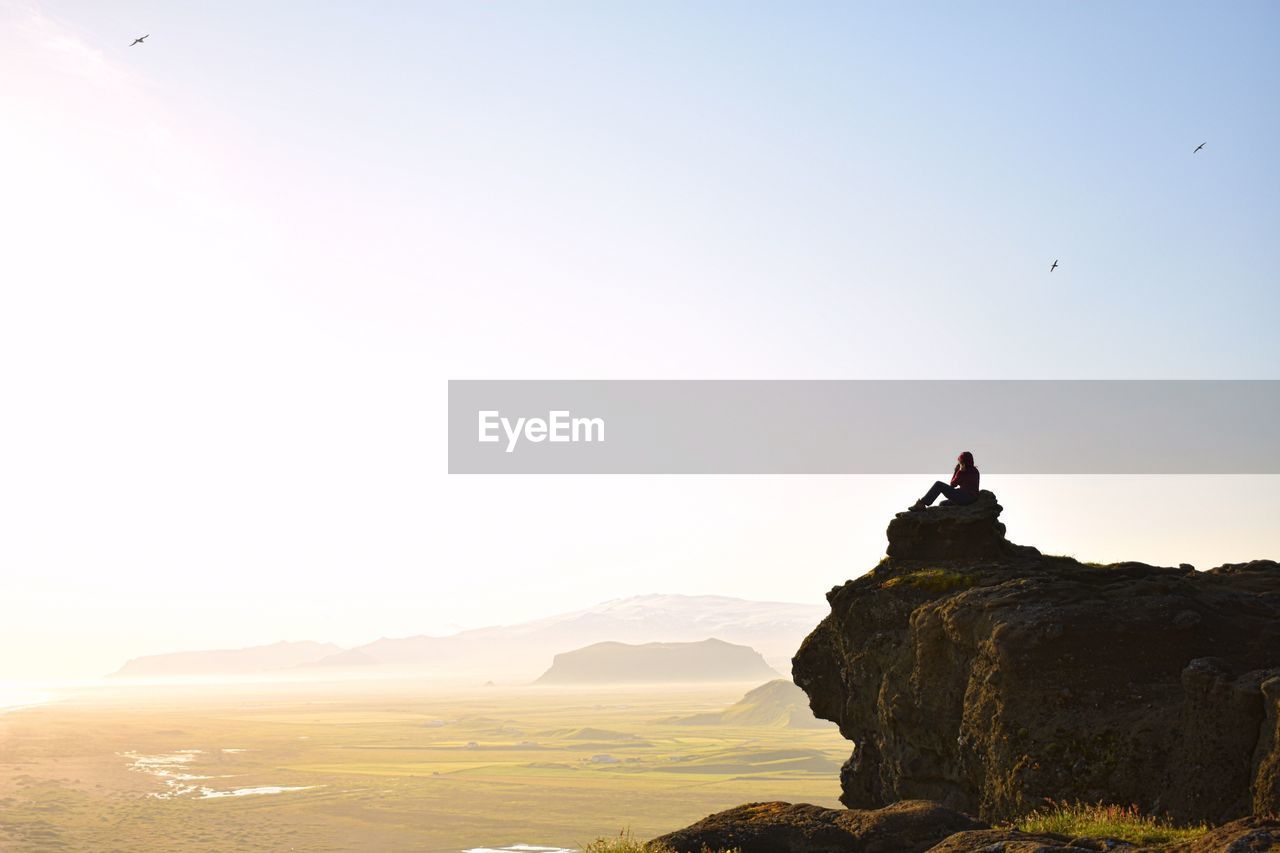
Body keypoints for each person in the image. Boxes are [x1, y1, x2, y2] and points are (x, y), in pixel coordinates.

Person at [909, 451, 979, 511]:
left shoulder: (963, 472)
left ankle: (922, 503)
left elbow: (952, 484)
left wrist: (956, 471)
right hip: (971, 499)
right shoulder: (975, 471)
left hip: (964, 497)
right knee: (942, 504)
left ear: (962, 462)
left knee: (938, 484)